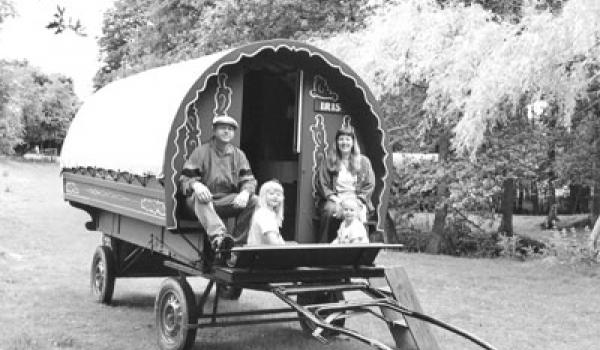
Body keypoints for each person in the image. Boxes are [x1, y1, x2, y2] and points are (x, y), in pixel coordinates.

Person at [179, 115, 257, 256]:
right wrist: (196, 185)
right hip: (201, 203)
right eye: (223, 128)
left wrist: (245, 193)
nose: (227, 131)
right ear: (214, 131)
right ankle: (219, 239)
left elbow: (249, 180)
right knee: (200, 197)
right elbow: (184, 179)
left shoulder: (239, 155)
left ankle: (236, 245)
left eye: (230, 129)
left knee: (254, 200)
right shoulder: (201, 152)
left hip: (224, 200)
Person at [316, 125, 375, 243]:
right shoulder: (329, 161)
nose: (344, 142)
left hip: (357, 198)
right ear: (337, 142)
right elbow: (322, 184)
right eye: (341, 139)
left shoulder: (364, 161)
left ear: (353, 142)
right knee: (329, 211)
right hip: (336, 198)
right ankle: (324, 247)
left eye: (348, 139)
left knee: (358, 211)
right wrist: (336, 200)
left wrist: (358, 201)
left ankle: (361, 249)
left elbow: (369, 184)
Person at [247, 180, 286, 245]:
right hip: (261, 253)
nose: (275, 196)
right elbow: (273, 242)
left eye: (278, 194)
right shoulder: (265, 215)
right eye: (271, 193)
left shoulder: (268, 213)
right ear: (263, 196)